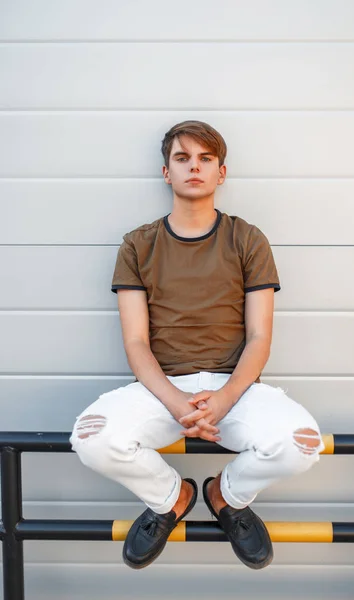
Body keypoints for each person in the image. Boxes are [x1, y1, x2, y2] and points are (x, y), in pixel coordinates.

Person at [70, 120, 325, 571]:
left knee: (301, 446)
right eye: (182, 158)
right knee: (90, 439)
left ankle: (225, 495)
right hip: (161, 389)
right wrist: (177, 400)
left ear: (221, 173)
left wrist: (225, 399)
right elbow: (135, 340)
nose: (194, 168)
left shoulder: (247, 238)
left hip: (236, 389)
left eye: (206, 159)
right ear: (166, 172)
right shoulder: (138, 243)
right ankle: (172, 497)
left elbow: (260, 337)